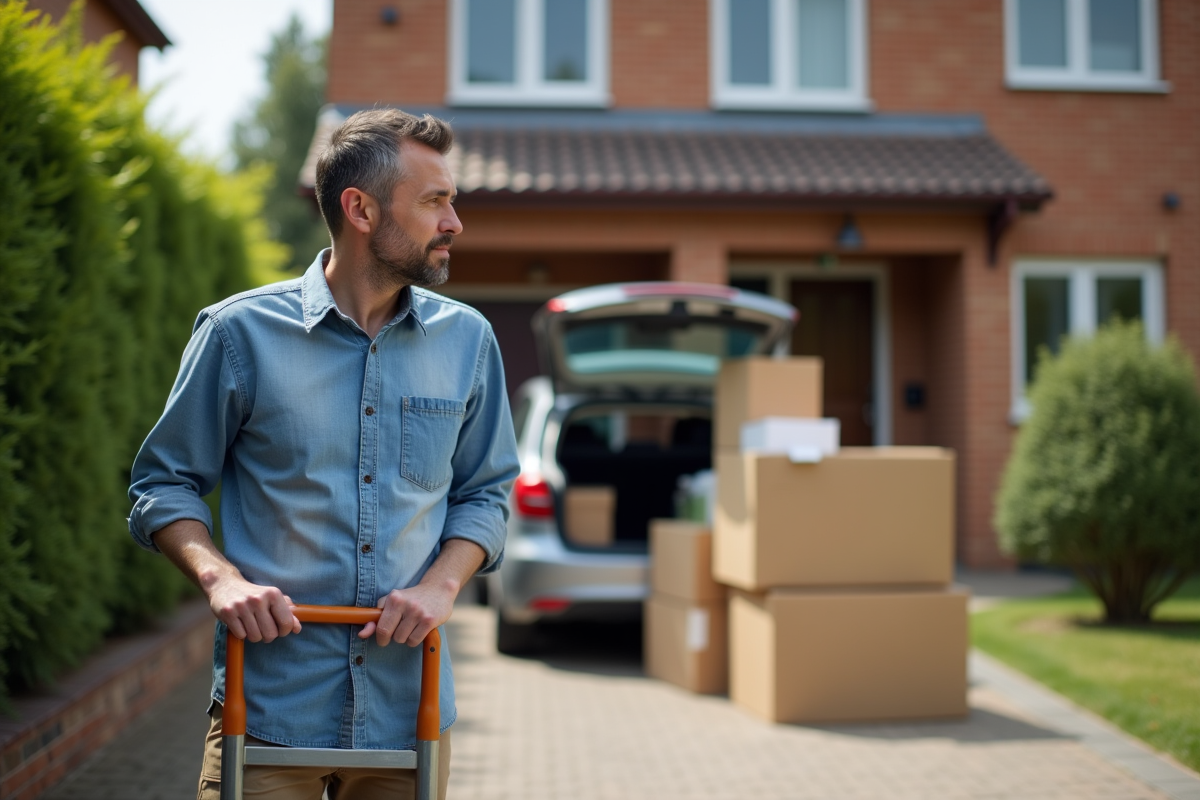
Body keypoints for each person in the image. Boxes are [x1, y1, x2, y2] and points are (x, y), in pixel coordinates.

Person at [128, 108, 520, 800]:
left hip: (412, 709)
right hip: (270, 707)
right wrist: (220, 580)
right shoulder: (237, 334)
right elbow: (164, 485)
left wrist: (442, 585)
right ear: (360, 209)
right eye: (436, 201)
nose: (454, 223)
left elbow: (486, 492)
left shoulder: (470, 341)